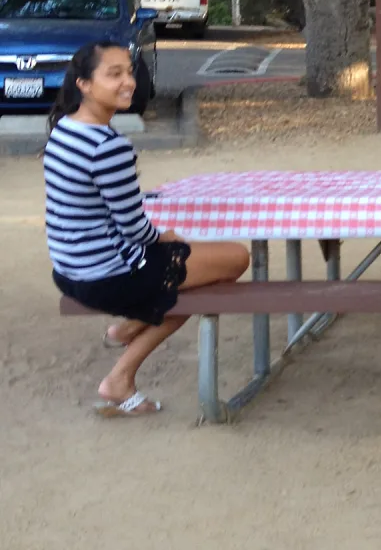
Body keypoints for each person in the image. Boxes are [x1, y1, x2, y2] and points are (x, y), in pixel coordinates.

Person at [44, 41, 249, 416]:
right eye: (114, 74)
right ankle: (120, 374)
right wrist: (164, 237)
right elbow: (134, 227)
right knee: (234, 259)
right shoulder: (108, 146)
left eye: (130, 72)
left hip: (68, 269)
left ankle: (128, 332)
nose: (128, 82)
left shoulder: (64, 129)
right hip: (107, 275)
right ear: (84, 84)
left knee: (192, 275)